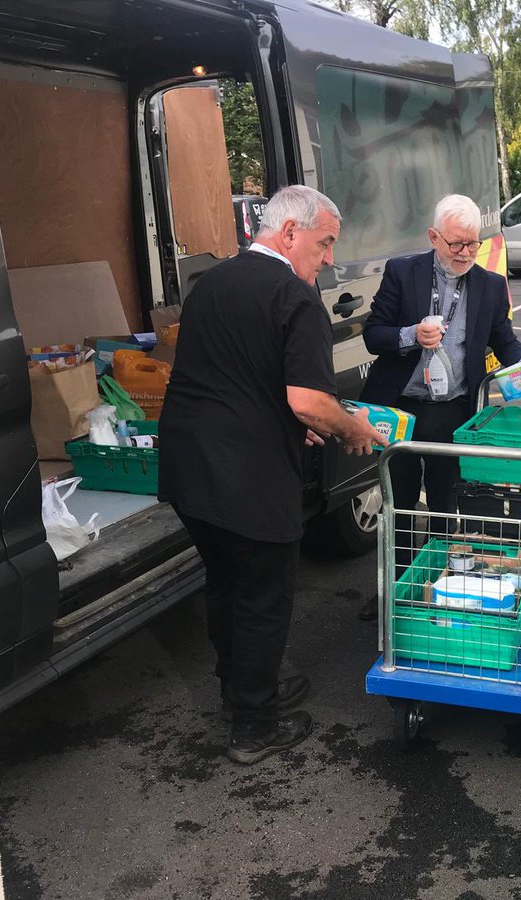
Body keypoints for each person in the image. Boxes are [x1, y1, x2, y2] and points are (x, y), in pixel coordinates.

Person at [159, 185, 385, 765]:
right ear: (290, 233)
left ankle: (238, 692)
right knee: (262, 597)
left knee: (225, 584)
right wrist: (350, 427)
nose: (330, 257)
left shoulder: (210, 285)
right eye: (325, 242)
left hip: (190, 469)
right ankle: (253, 727)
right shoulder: (295, 297)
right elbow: (310, 399)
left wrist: (294, 422)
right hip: (248, 479)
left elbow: (239, 375)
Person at [356, 194, 521, 620]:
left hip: (455, 408)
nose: (466, 254)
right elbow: (372, 335)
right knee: (398, 505)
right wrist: (409, 335)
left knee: (443, 505)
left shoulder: (490, 285)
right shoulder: (403, 272)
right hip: (402, 409)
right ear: (434, 237)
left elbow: (503, 339)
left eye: (472, 244)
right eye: (456, 244)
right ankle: (393, 593)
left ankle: (436, 588)